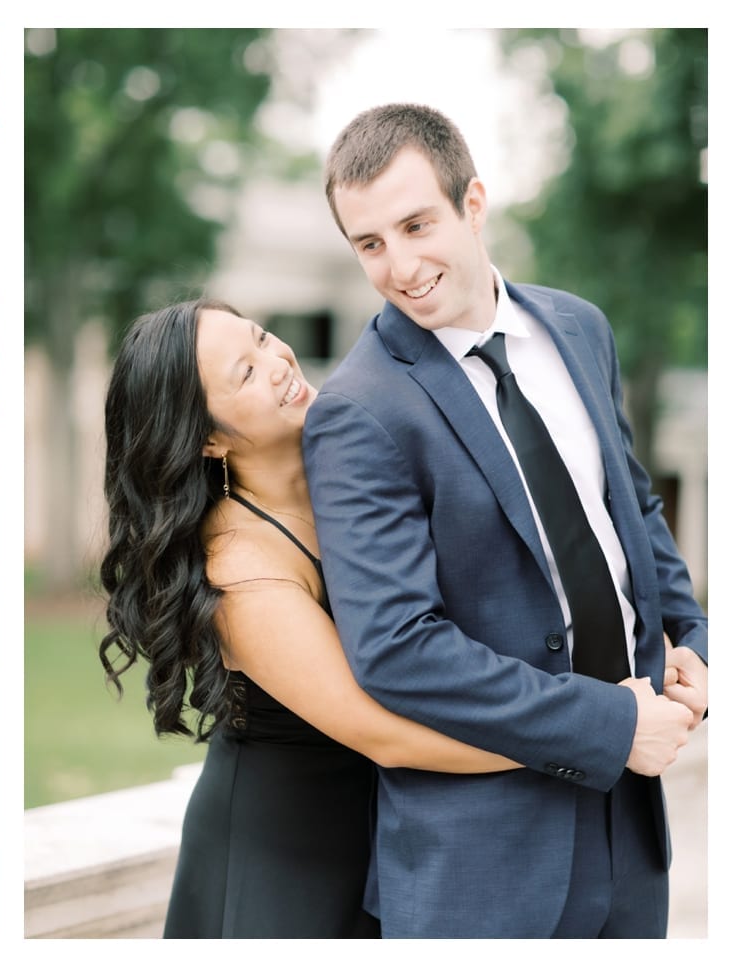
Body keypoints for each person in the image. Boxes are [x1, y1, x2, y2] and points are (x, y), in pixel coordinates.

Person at [304, 102, 708, 937]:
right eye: (370, 244)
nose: (401, 266)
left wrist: (693, 635)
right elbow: (397, 647)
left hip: (630, 836)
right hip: (480, 866)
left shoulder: (578, 328)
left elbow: (628, 504)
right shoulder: (358, 410)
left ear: (474, 203)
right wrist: (611, 723)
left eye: (417, 225)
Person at [99, 298, 539, 938]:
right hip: (285, 858)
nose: (277, 363)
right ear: (207, 438)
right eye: (244, 374)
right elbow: (384, 732)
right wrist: (571, 739)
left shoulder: (350, 469)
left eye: (262, 338)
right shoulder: (241, 568)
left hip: (383, 831)